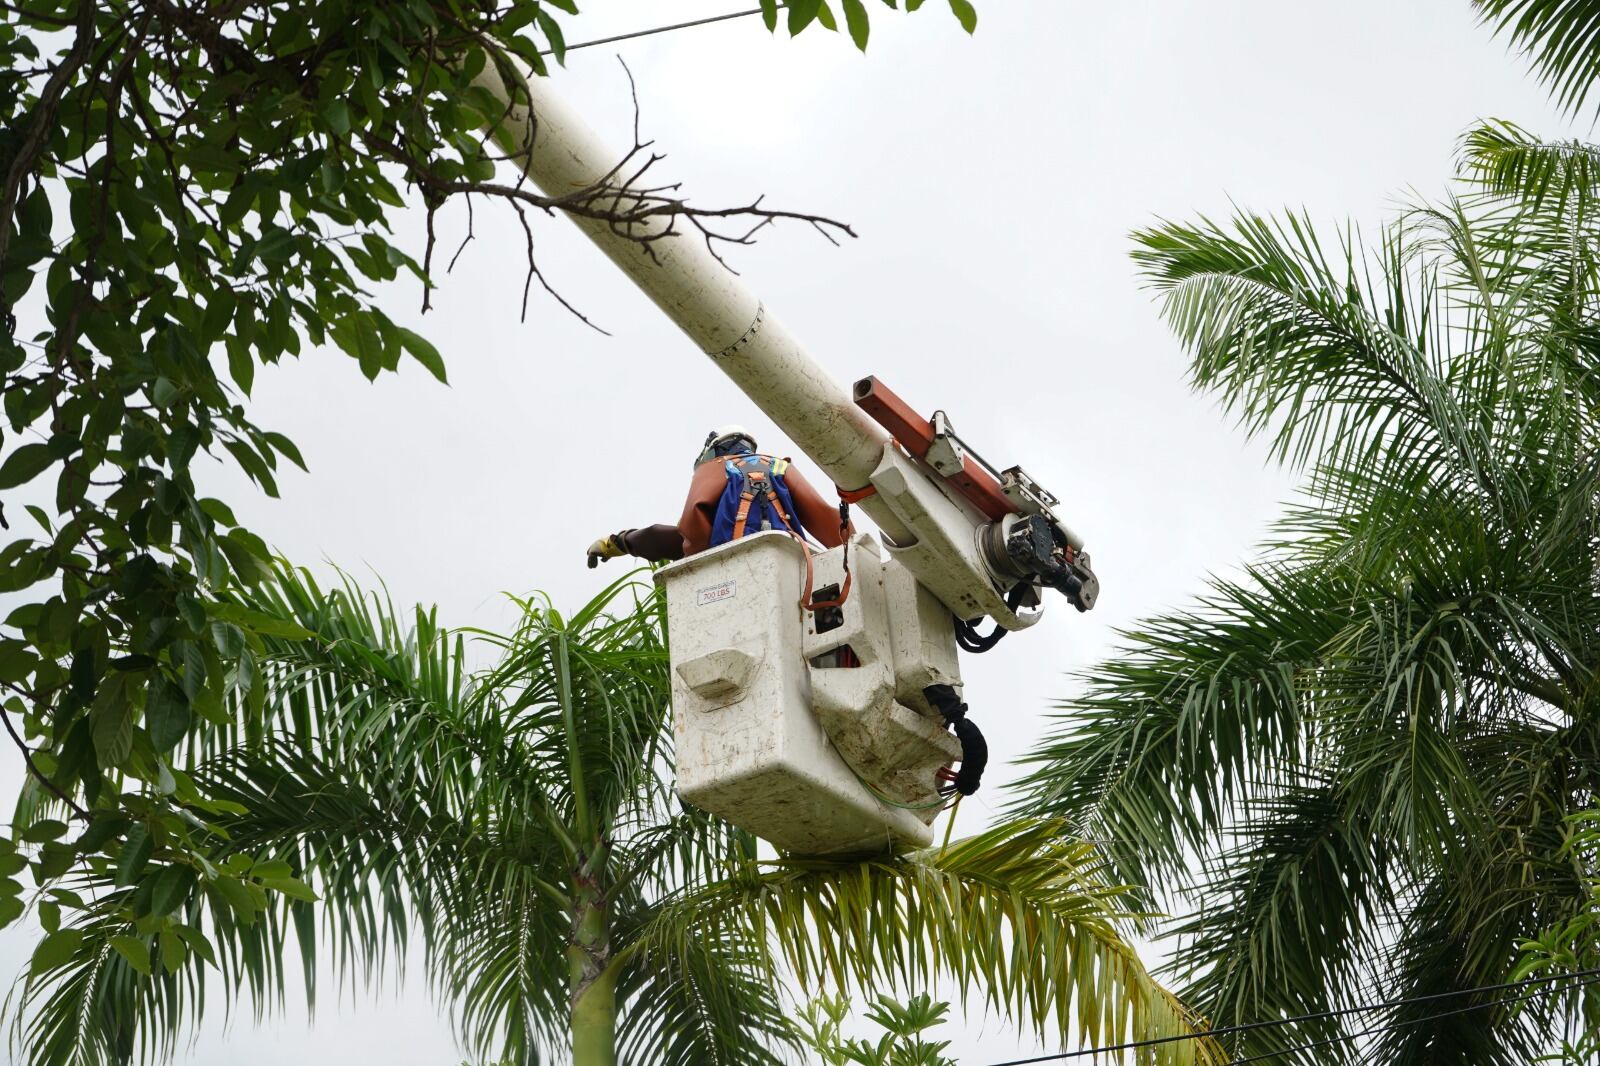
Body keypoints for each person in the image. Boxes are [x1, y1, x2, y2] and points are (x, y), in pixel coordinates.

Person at [587, 425, 850, 567]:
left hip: (731, 569)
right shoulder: (779, 466)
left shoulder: (714, 469)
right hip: (791, 564)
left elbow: (689, 531)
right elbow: (826, 519)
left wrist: (618, 542)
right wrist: (859, 554)